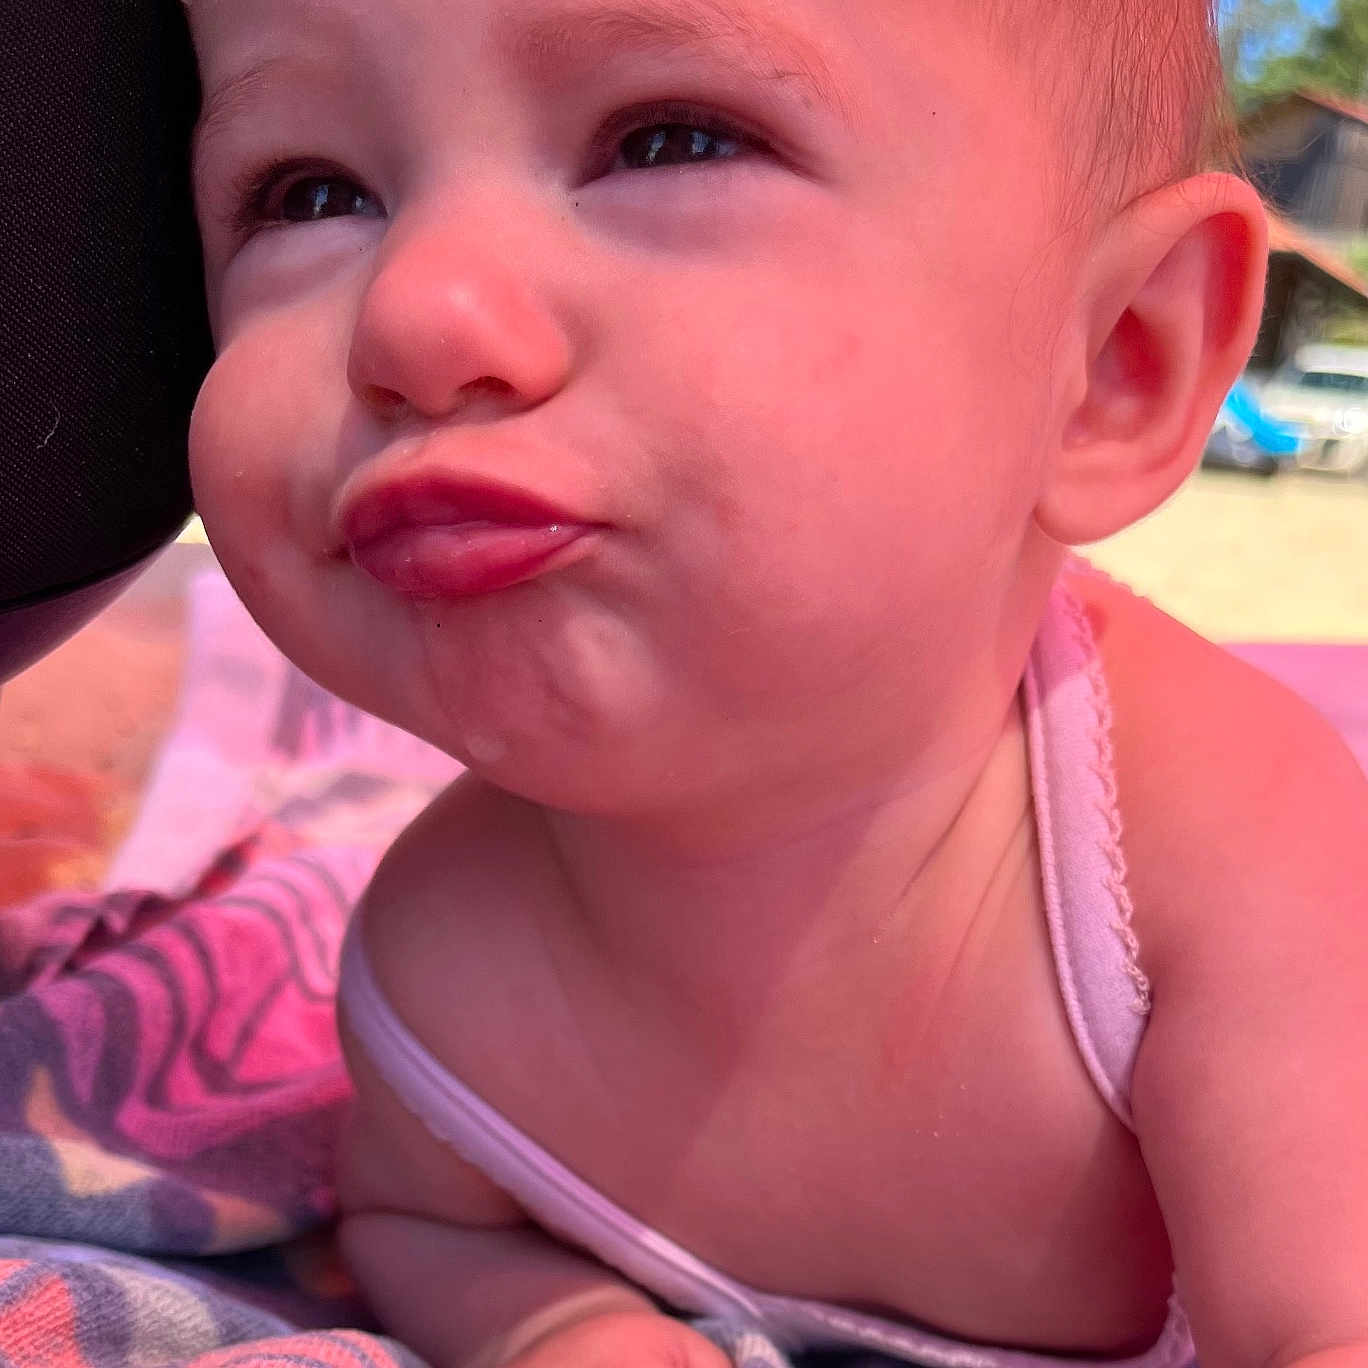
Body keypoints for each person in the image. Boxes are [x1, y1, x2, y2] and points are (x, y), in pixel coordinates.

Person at [182, 1, 1368, 1366]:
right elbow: (424, 1226)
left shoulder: (1225, 852)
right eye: (311, 193)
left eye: (669, 141)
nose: (415, 314)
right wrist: (559, 1325)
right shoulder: (433, 965)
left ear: (1110, 364)